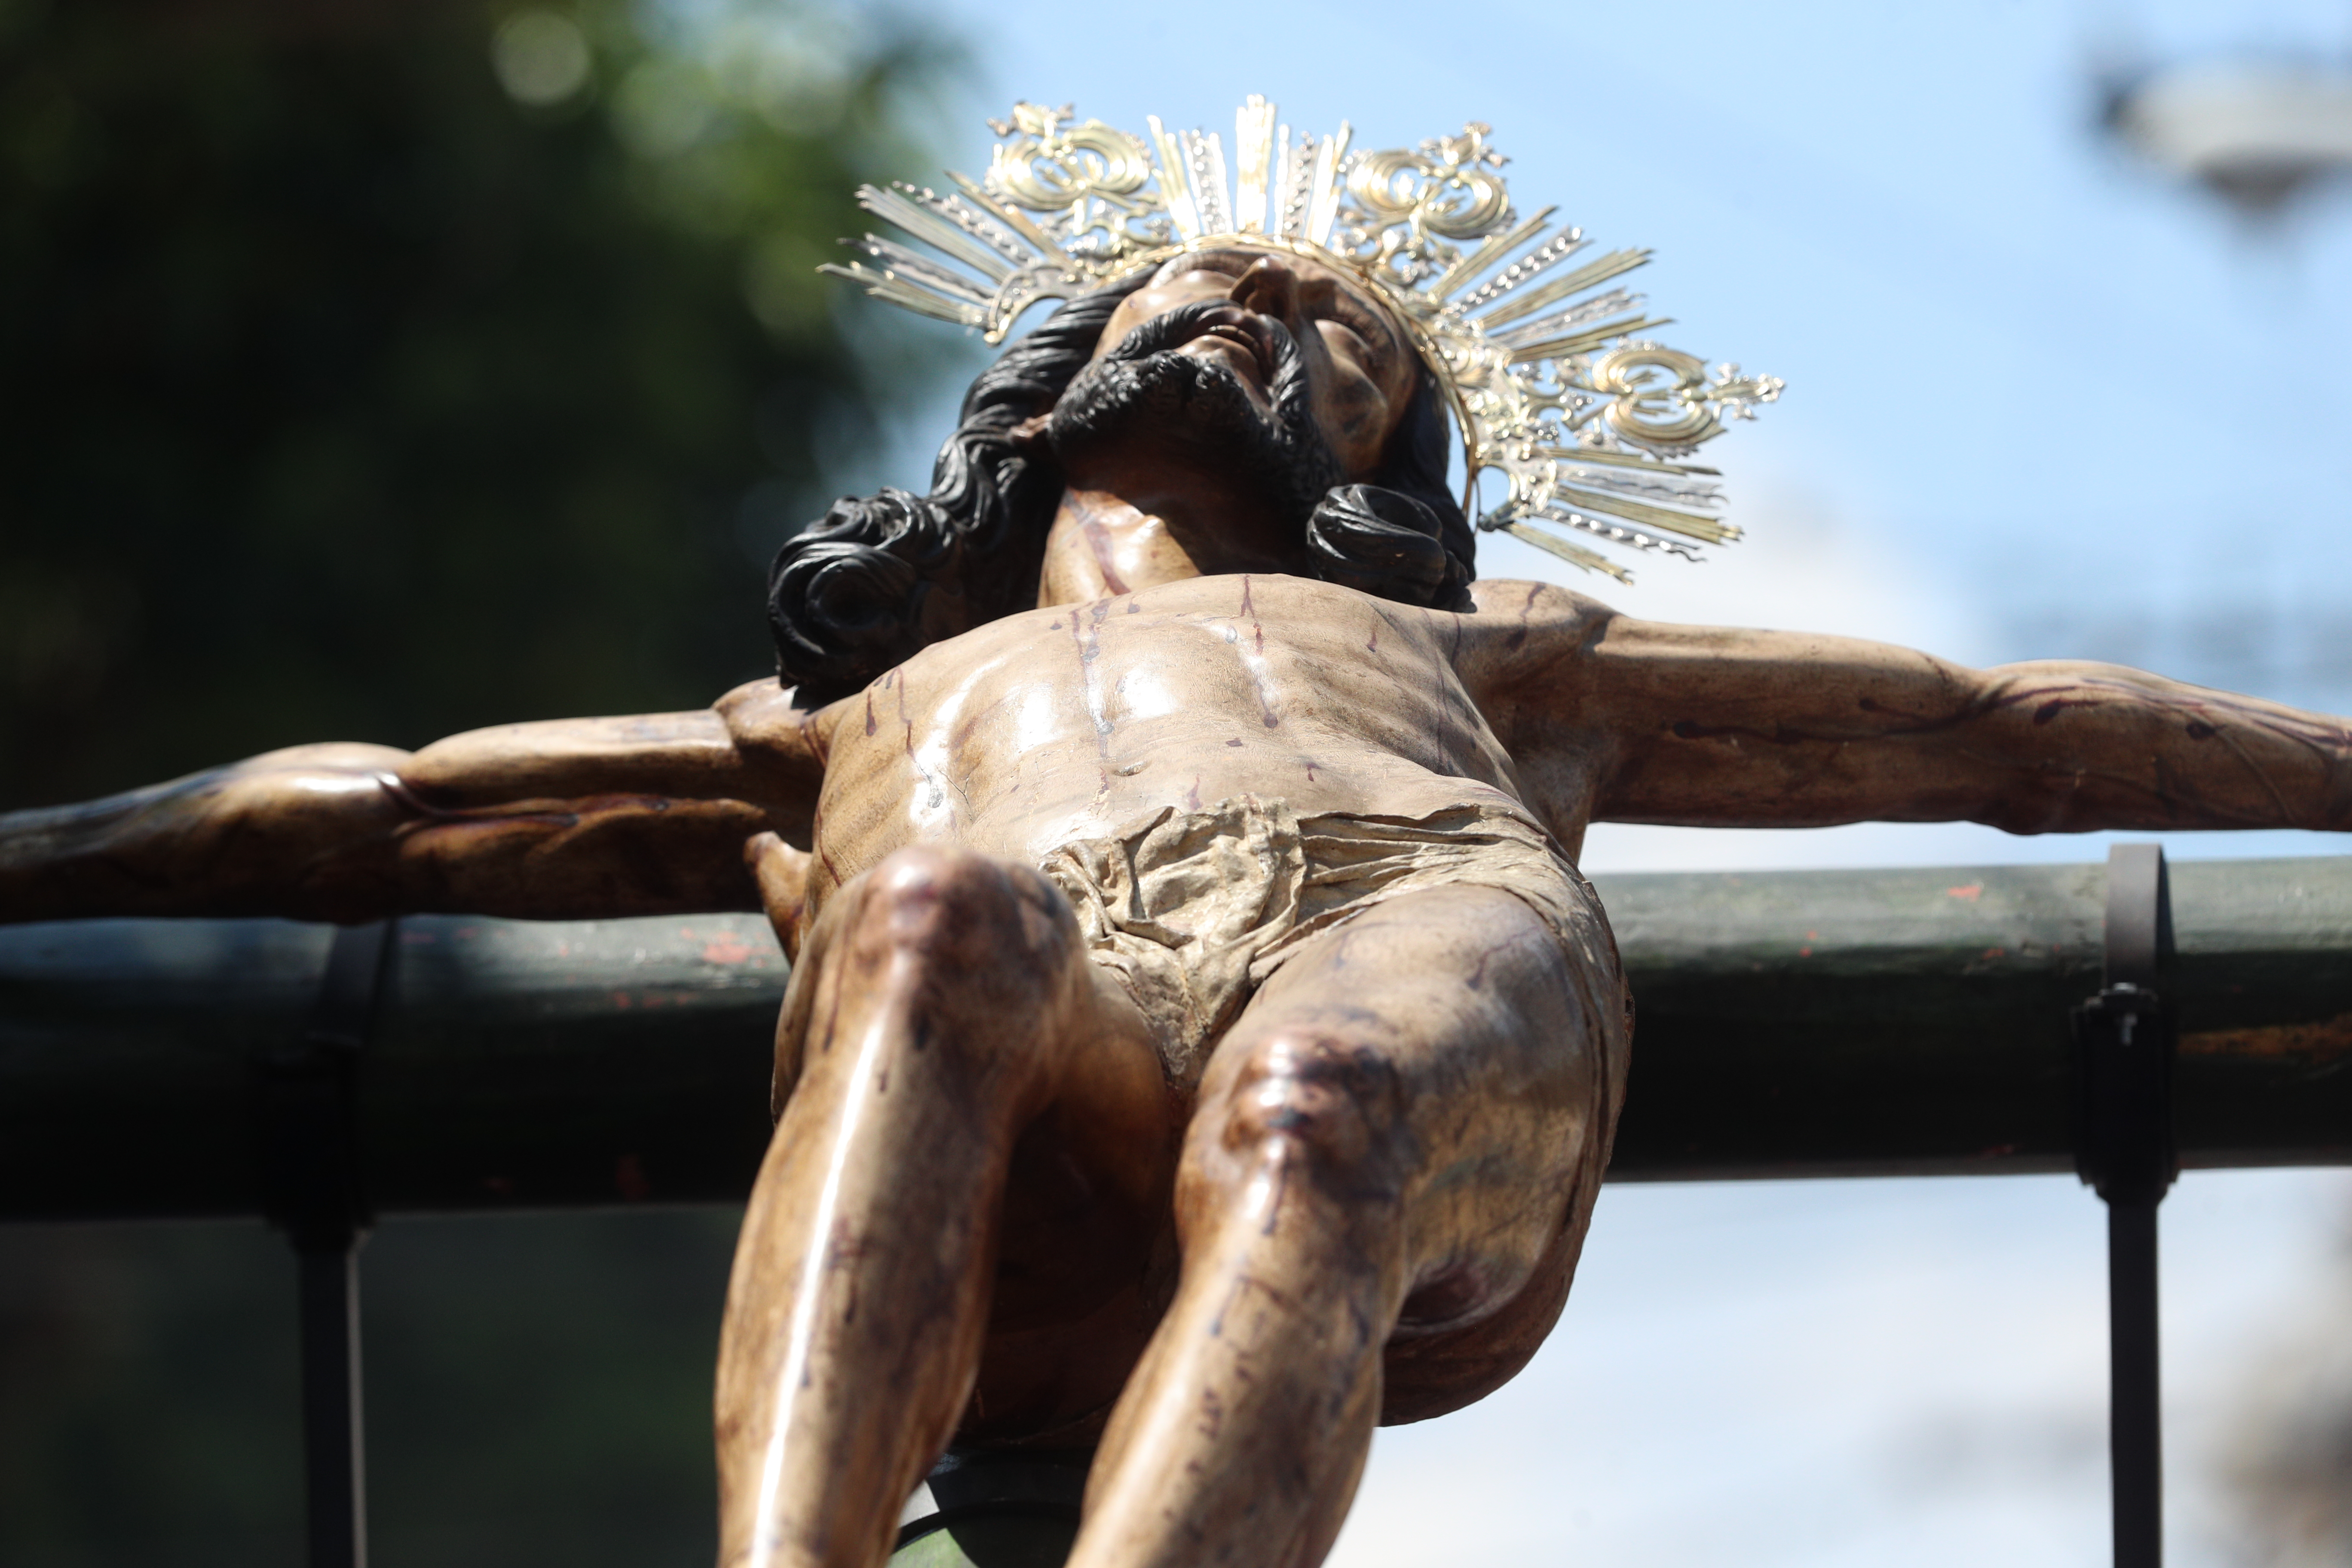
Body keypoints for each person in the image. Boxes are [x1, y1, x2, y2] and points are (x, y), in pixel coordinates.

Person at [8, 193, 2352, 1568]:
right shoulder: (832, 722)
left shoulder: (1487, 652)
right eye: (1202, 293)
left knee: (1320, 1100)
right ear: (1050, 376)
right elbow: (389, 813)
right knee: (931, 926)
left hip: (1408, 927)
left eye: (1343, 340)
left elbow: (2000, 734)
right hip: (1037, 1012)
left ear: (1387, 458)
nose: (1264, 316)